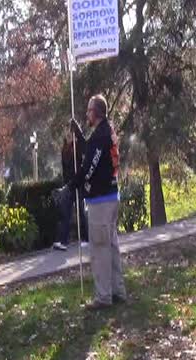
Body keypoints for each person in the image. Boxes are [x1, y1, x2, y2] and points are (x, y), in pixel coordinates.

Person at [68, 94, 126, 310]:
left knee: (100, 250)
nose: (86, 113)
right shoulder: (106, 133)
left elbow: (89, 167)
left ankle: (103, 297)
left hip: (101, 201)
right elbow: (94, 153)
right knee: (111, 246)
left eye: (89, 110)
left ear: (97, 112)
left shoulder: (100, 136)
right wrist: (80, 137)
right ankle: (118, 290)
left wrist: (72, 186)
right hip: (111, 196)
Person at [53, 132, 88, 251]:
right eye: (67, 135)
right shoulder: (64, 150)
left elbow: (83, 155)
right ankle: (63, 240)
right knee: (66, 212)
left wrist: (77, 136)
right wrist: (65, 185)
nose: (68, 137)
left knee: (80, 211)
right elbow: (64, 169)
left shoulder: (77, 147)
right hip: (68, 185)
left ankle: (86, 238)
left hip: (77, 183)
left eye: (70, 135)